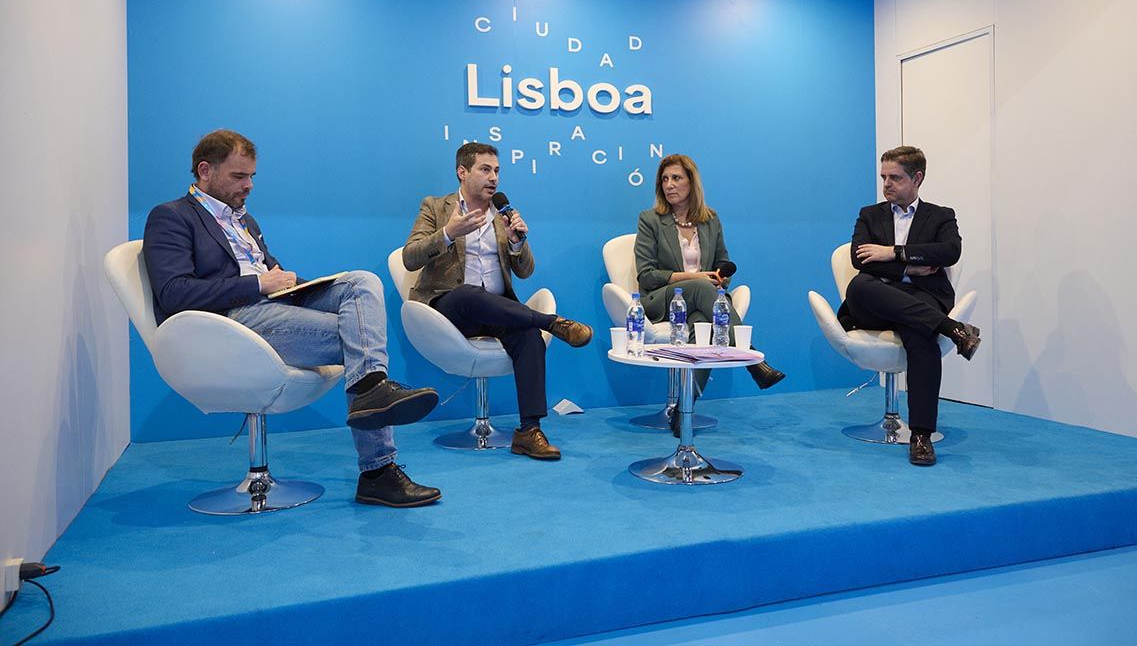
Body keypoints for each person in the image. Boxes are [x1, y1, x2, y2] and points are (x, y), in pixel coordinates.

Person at [143, 129, 442, 508]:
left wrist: (300, 285)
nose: (249, 185)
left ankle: (372, 394)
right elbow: (174, 292)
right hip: (231, 322)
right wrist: (258, 284)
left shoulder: (245, 221)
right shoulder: (171, 217)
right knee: (362, 340)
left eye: (252, 176)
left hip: (274, 305)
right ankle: (378, 470)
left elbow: (272, 275)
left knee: (361, 282)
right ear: (205, 171)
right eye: (239, 176)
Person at [401, 143, 593, 460]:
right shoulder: (436, 207)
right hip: (450, 311)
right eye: (485, 169)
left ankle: (529, 431)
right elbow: (410, 257)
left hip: (496, 309)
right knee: (469, 294)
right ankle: (551, 322)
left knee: (529, 334)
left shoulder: (503, 215)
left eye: (497, 171)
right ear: (462, 172)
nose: (494, 178)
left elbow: (526, 271)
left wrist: (517, 243)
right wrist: (448, 232)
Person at [838, 145, 981, 466]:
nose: (887, 184)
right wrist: (911, 268)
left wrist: (893, 253)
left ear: (917, 178)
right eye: (883, 177)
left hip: (921, 298)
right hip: (875, 299)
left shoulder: (941, 216)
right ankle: (953, 329)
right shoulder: (869, 214)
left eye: (895, 178)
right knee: (859, 285)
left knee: (921, 336)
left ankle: (920, 436)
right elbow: (859, 258)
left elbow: (949, 252)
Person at [634, 154, 786, 433]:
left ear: (691, 182)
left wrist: (720, 277)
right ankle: (752, 359)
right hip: (662, 300)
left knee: (703, 324)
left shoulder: (710, 220)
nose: (669, 185)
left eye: (676, 178)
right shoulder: (650, 220)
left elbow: (722, 263)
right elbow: (646, 275)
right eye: (664, 179)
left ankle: (684, 409)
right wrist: (695, 278)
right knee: (703, 289)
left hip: (703, 303)